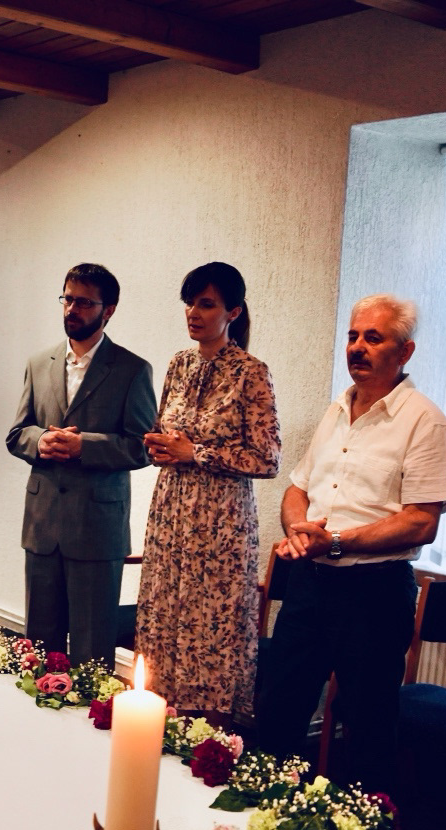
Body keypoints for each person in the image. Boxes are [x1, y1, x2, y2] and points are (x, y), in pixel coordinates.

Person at [255, 293, 446, 791]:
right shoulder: (337, 409)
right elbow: (298, 489)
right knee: (278, 710)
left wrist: (335, 541)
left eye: (373, 338)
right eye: (353, 336)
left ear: (405, 351)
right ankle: (263, 821)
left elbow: (421, 522)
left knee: (366, 727)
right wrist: (300, 532)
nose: (357, 347)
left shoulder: (424, 420)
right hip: (311, 582)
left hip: (374, 592)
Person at [134, 262, 279, 721]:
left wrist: (195, 452)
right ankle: (158, 721)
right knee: (165, 616)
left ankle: (207, 730)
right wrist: (158, 446)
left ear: (233, 312)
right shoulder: (179, 364)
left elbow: (267, 459)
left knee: (208, 628)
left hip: (219, 523)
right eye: (189, 304)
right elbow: (164, 430)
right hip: (171, 511)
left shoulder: (251, 373)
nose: (193, 313)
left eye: (206, 304)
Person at [6, 263, 156, 667]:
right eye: (68, 299)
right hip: (42, 525)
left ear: (109, 310)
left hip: (97, 528)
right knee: (39, 649)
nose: (72, 309)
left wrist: (82, 446)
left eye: (85, 302)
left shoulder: (132, 369)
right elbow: (17, 433)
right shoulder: (39, 363)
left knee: (92, 653)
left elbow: (142, 447)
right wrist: (41, 441)